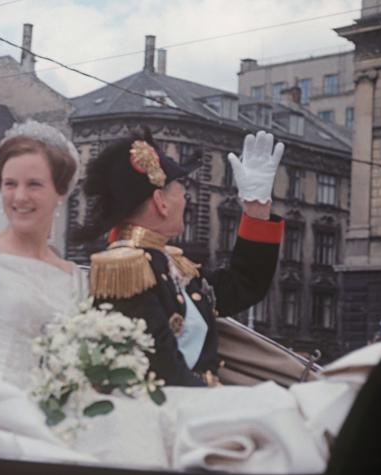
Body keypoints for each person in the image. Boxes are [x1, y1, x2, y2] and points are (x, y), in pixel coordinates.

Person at [0, 81, 381, 472]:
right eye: (10, 184)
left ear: (58, 194)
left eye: (34, 184)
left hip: (73, 403)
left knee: (263, 411)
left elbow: (237, 287)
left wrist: (256, 206)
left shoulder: (75, 277)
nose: (18, 196)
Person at [81, 132, 283, 387]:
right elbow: (164, 373)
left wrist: (256, 211)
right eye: (181, 192)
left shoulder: (168, 262)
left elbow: (243, 286)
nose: (186, 201)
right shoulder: (126, 269)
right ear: (160, 203)